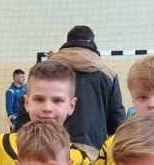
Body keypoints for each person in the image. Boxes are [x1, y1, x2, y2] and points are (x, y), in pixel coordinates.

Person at [46, 25, 126, 157]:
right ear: (92, 42)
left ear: (68, 42)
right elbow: (117, 118)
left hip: (49, 146)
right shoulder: (108, 74)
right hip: (93, 148)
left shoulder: (45, 70)